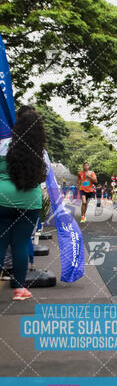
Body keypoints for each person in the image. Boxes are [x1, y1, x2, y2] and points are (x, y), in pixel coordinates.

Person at [0, 105, 47, 301]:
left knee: (1, 244)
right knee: (20, 245)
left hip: (2, 200)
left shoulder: (3, 144)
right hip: (29, 204)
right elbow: (42, 179)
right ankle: (19, 290)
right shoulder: (41, 152)